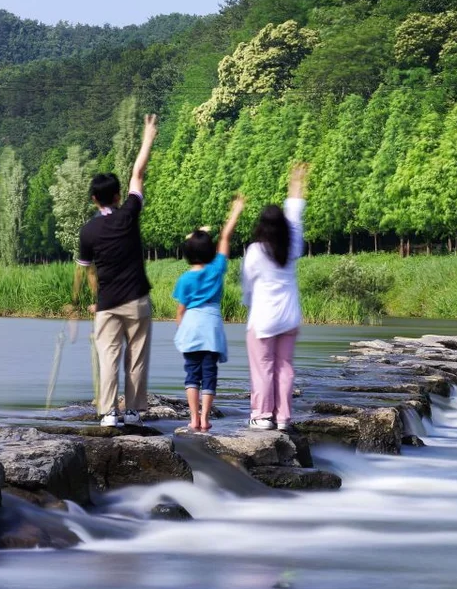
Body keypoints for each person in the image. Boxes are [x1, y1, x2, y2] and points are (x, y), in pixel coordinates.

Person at [73, 114, 158, 427]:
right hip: (137, 300)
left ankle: (109, 412)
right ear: (119, 196)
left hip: (107, 305)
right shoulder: (129, 215)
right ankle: (133, 411)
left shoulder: (88, 232)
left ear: (94, 199)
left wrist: (88, 300)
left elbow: (86, 271)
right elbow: (138, 173)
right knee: (136, 357)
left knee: (108, 357)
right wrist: (148, 136)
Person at [242, 162, 308, 430]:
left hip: (264, 318)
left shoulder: (256, 250)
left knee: (263, 368)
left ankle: (262, 415)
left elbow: (247, 285)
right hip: (290, 315)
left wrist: (247, 305)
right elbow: (295, 213)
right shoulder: (291, 243)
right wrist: (297, 183)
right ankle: (283, 418)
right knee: (285, 367)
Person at [173, 196, 245, 432]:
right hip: (212, 329)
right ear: (210, 252)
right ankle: (205, 418)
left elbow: (180, 310)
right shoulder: (216, 270)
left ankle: (193, 418)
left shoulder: (184, 279)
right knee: (209, 375)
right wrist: (235, 211)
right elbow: (225, 237)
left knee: (192, 375)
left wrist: (181, 330)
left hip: (192, 328)